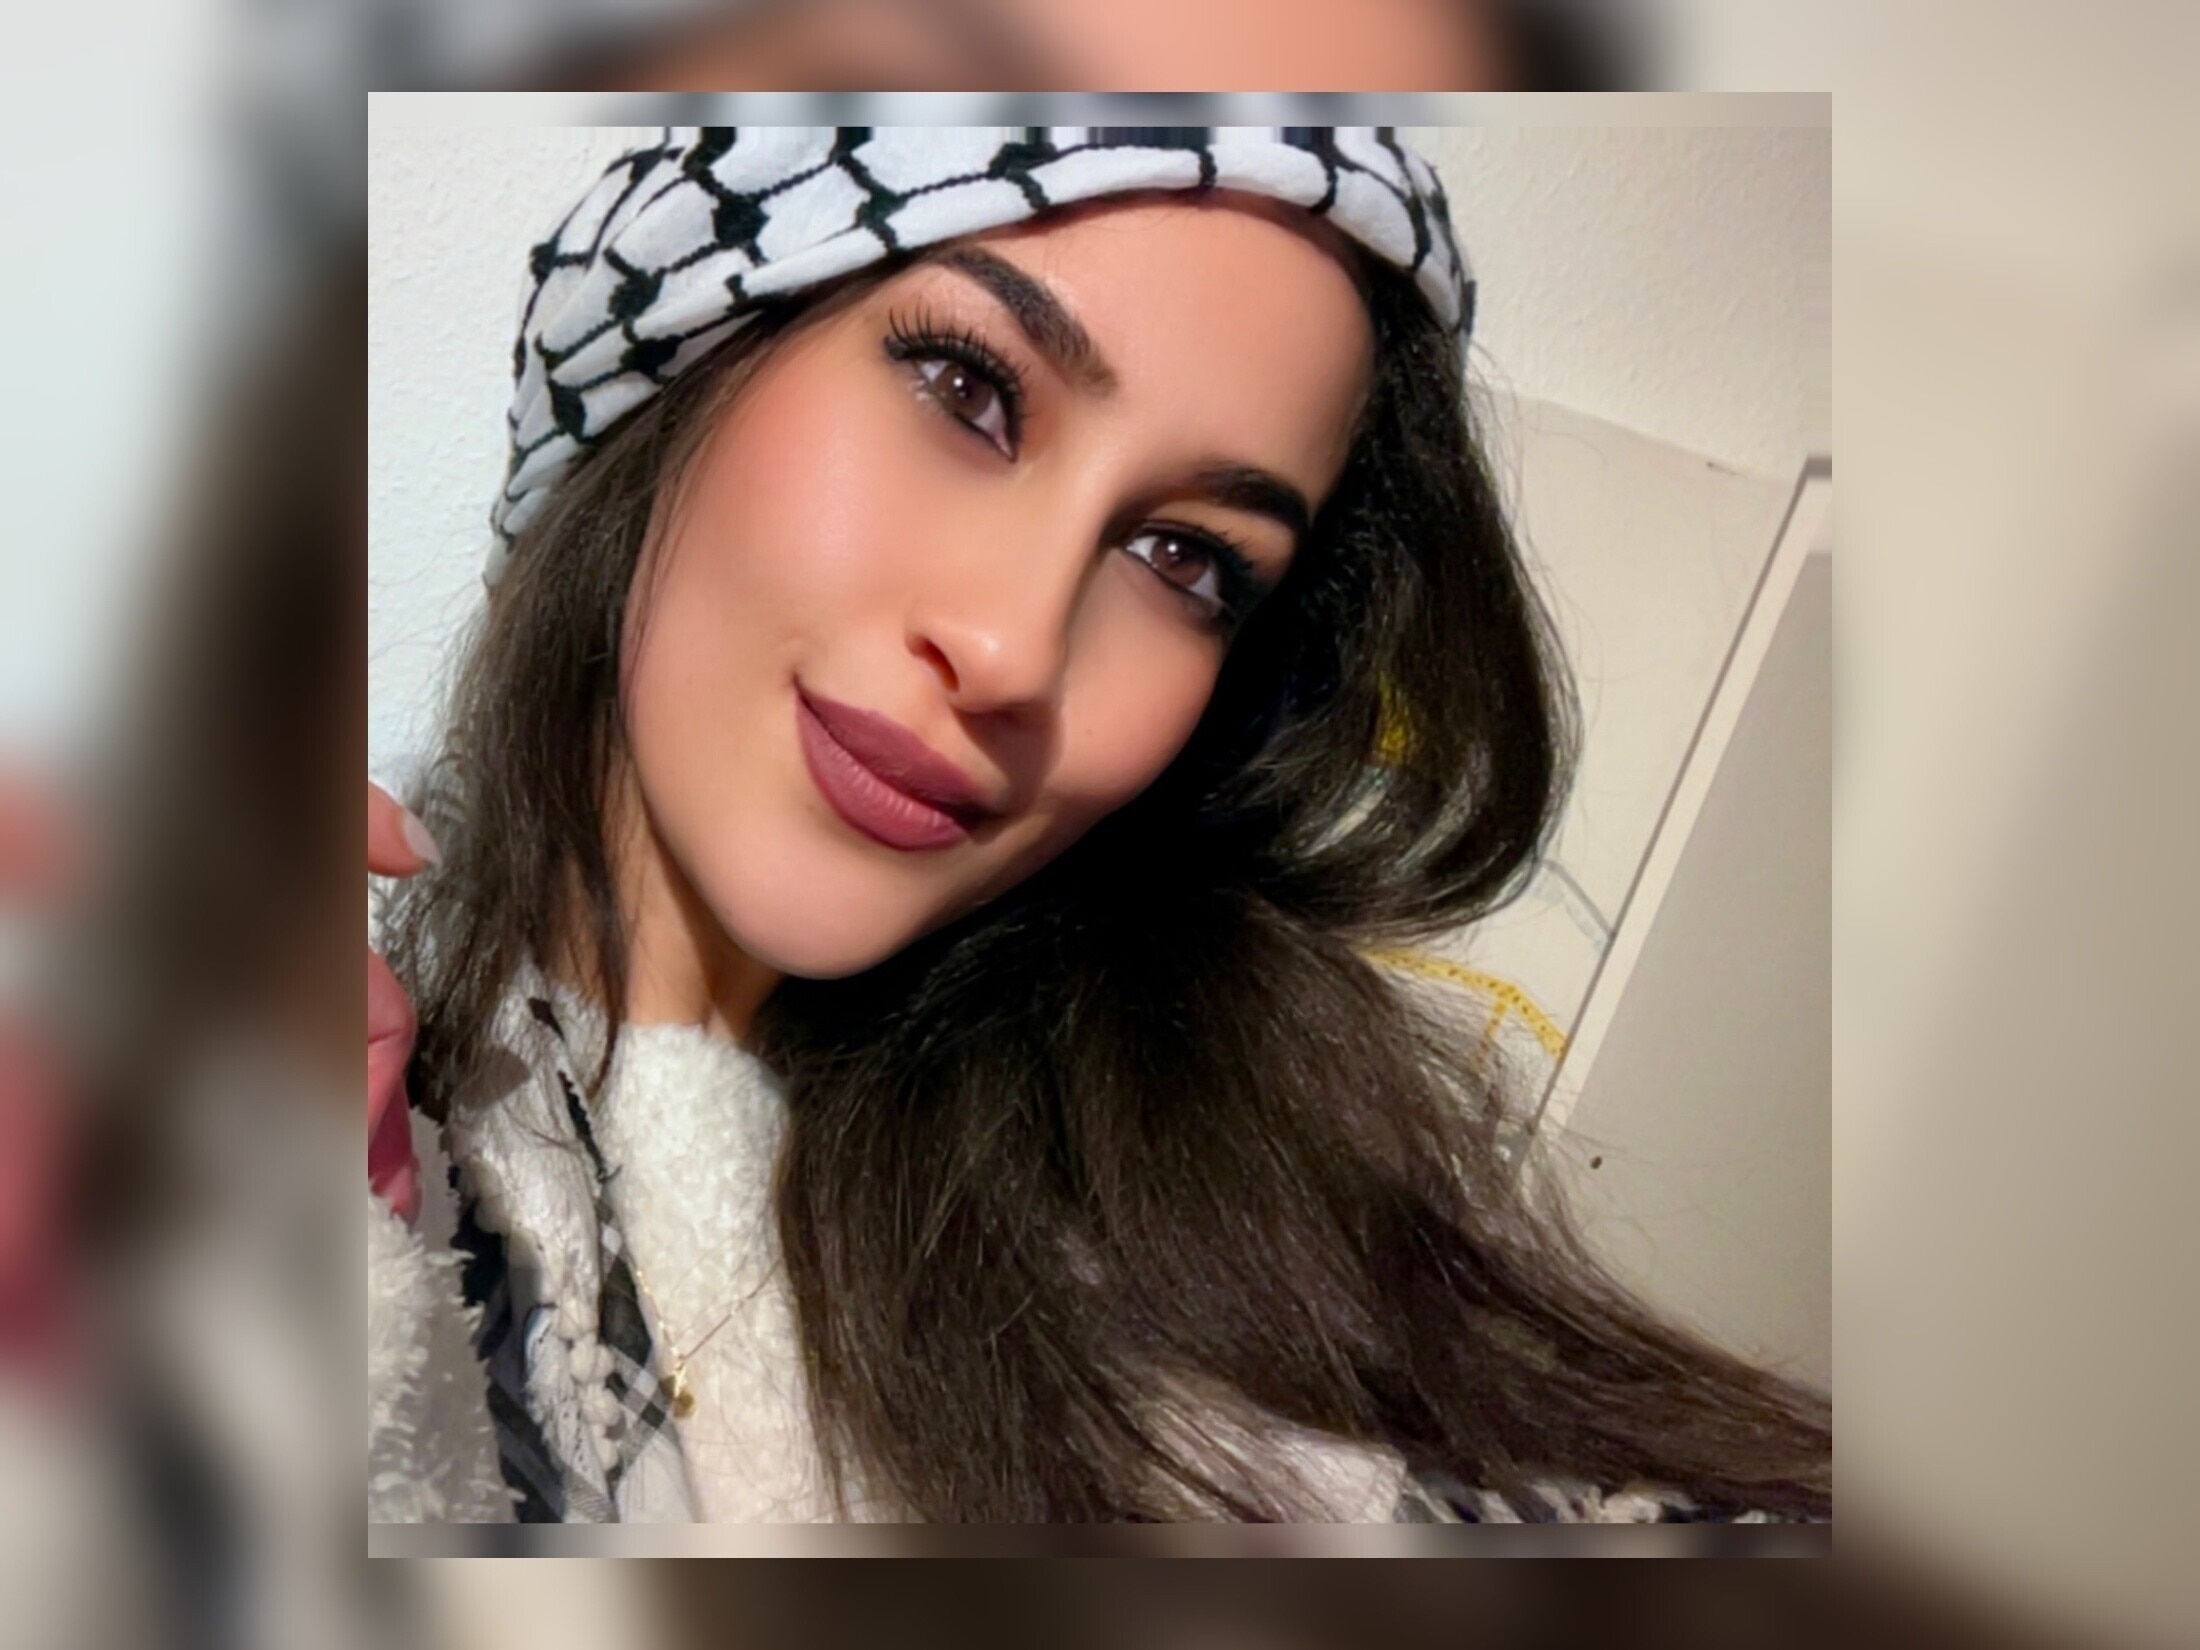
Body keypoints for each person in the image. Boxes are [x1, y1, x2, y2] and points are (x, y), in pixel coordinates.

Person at [368, 127, 1831, 1524]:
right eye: (968, 390)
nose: (1014, 648)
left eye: (1183, 557)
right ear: (681, 361)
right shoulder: (368, 1160)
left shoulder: (1231, 1199)